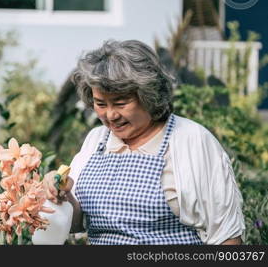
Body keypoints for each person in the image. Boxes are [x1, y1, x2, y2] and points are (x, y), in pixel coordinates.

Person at [42, 40, 245, 245]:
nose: (110, 115)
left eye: (121, 103)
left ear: (149, 95)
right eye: (101, 104)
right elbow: (77, 224)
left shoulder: (191, 140)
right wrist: (63, 196)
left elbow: (227, 237)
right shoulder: (96, 140)